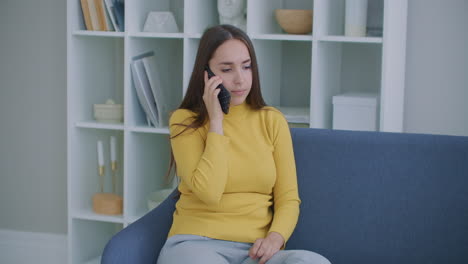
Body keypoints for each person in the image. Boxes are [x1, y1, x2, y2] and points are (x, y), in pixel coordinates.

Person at [157, 25, 330, 264]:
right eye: (227, 69)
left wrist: (275, 238)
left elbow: (288, 198)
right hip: (196, 246)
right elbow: (209, 193)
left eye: (247, 66)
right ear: (206, 74)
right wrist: (216, 121)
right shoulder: (185, 121)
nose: (240, 79)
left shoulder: (271, 120)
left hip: (255, 252)